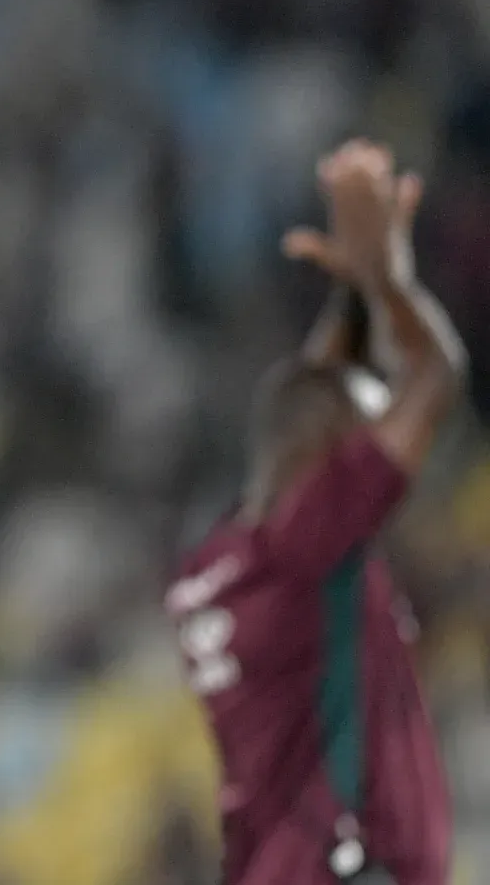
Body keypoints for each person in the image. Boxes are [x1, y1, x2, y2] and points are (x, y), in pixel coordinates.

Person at [165, 139, 465, 885]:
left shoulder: (215, 566)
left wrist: (353, 293)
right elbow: (435, 376)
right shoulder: (311, 542)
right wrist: (391, 286)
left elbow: (309, 395)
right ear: (328, 451)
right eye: (360, 431)